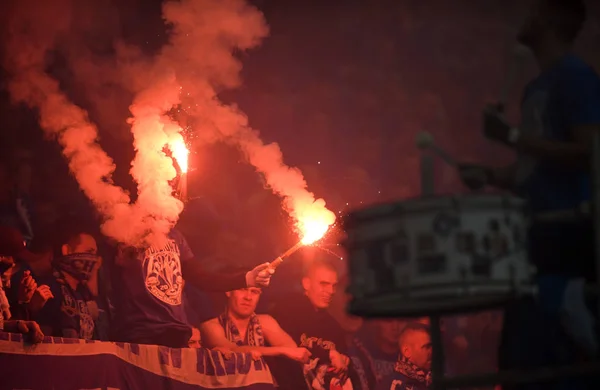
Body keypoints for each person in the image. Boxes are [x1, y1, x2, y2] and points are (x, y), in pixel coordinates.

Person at [457, 0, 599, 375]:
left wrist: (513, 136)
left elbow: (590, 151)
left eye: (534, 10)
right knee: (522, 359)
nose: (526, 16)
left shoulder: (576, 77)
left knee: (556, 354)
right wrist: (489, 175)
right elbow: (531, 168)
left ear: (550, 19)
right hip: (536, 232)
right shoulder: (536, 85)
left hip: (567, 228)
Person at [110, 228, 275, 348]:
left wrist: (246, 279)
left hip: (176, 332)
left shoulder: (175, 236)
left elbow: (202, 278)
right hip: (139, 332)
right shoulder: (126, 229)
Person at [269, 257, 361, 390]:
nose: (330, 291)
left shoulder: (334, 327)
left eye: (333, 285)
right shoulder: (287, 310)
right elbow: (288, 349)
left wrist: (345, 362)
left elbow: (348, 374)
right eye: (324, 284)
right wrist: (329, 354)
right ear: (306, 284)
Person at [200, 282, 311, 363]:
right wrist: (281, 350)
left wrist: (287, 351)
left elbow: (293, 351)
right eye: (242, 289)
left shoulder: (265, 321)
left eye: (255, 292)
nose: (248, 297)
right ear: (228, 291)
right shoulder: (211, 326)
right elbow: (231, 350)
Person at [30, 226, 102, 340]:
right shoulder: (49, 287)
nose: (92, 259)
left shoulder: (85, 294)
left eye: (95, 254)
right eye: (88, 252)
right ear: (67, 250)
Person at [376, 323, 431, 390]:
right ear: (407, 352)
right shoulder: (395, 385)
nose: (431, 351)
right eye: (426, 347)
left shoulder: (434, 380)